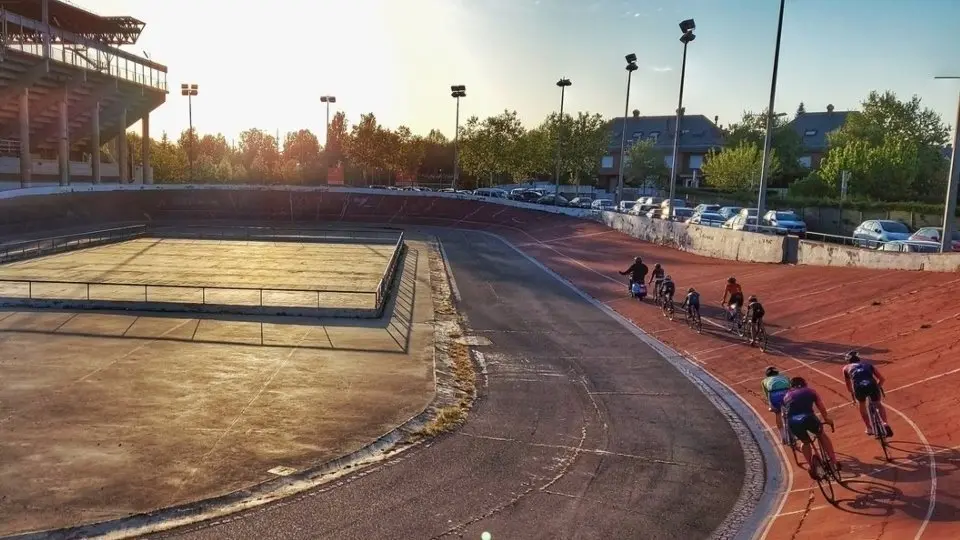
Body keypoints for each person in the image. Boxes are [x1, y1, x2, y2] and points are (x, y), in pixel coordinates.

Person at [784, 376, 840, 479]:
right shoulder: (810, 391)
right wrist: (826, 419)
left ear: (791, 387)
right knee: (821, 435)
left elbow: (786, 413)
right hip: (808, 418)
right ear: (804, 384)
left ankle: (812, 466)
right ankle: (834, 462)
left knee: (805, 442)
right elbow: (820, 406)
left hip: (793, 422)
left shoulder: (786, 396)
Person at [842, 351, 893, 437]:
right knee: (878, 404)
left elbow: (848, 385)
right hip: (872, 385)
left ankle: (869, 428)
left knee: (862, 405)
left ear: (848, 361)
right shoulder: (868, 365)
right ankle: (885, 423)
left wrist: (853, 393)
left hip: (859, 388)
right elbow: (882, 379)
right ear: (859, 358)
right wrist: (878, 387)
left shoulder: (846, 368)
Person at [761, 366, 791, 443]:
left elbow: (767, 394)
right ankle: (792, 433)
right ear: (777, 372)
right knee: (790, 411)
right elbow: (790, 388)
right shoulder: (785, 377)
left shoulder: (764, 381)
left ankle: (782, 437)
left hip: (774, 395)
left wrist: (771, 406)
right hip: (786, 393)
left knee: (777, 413)